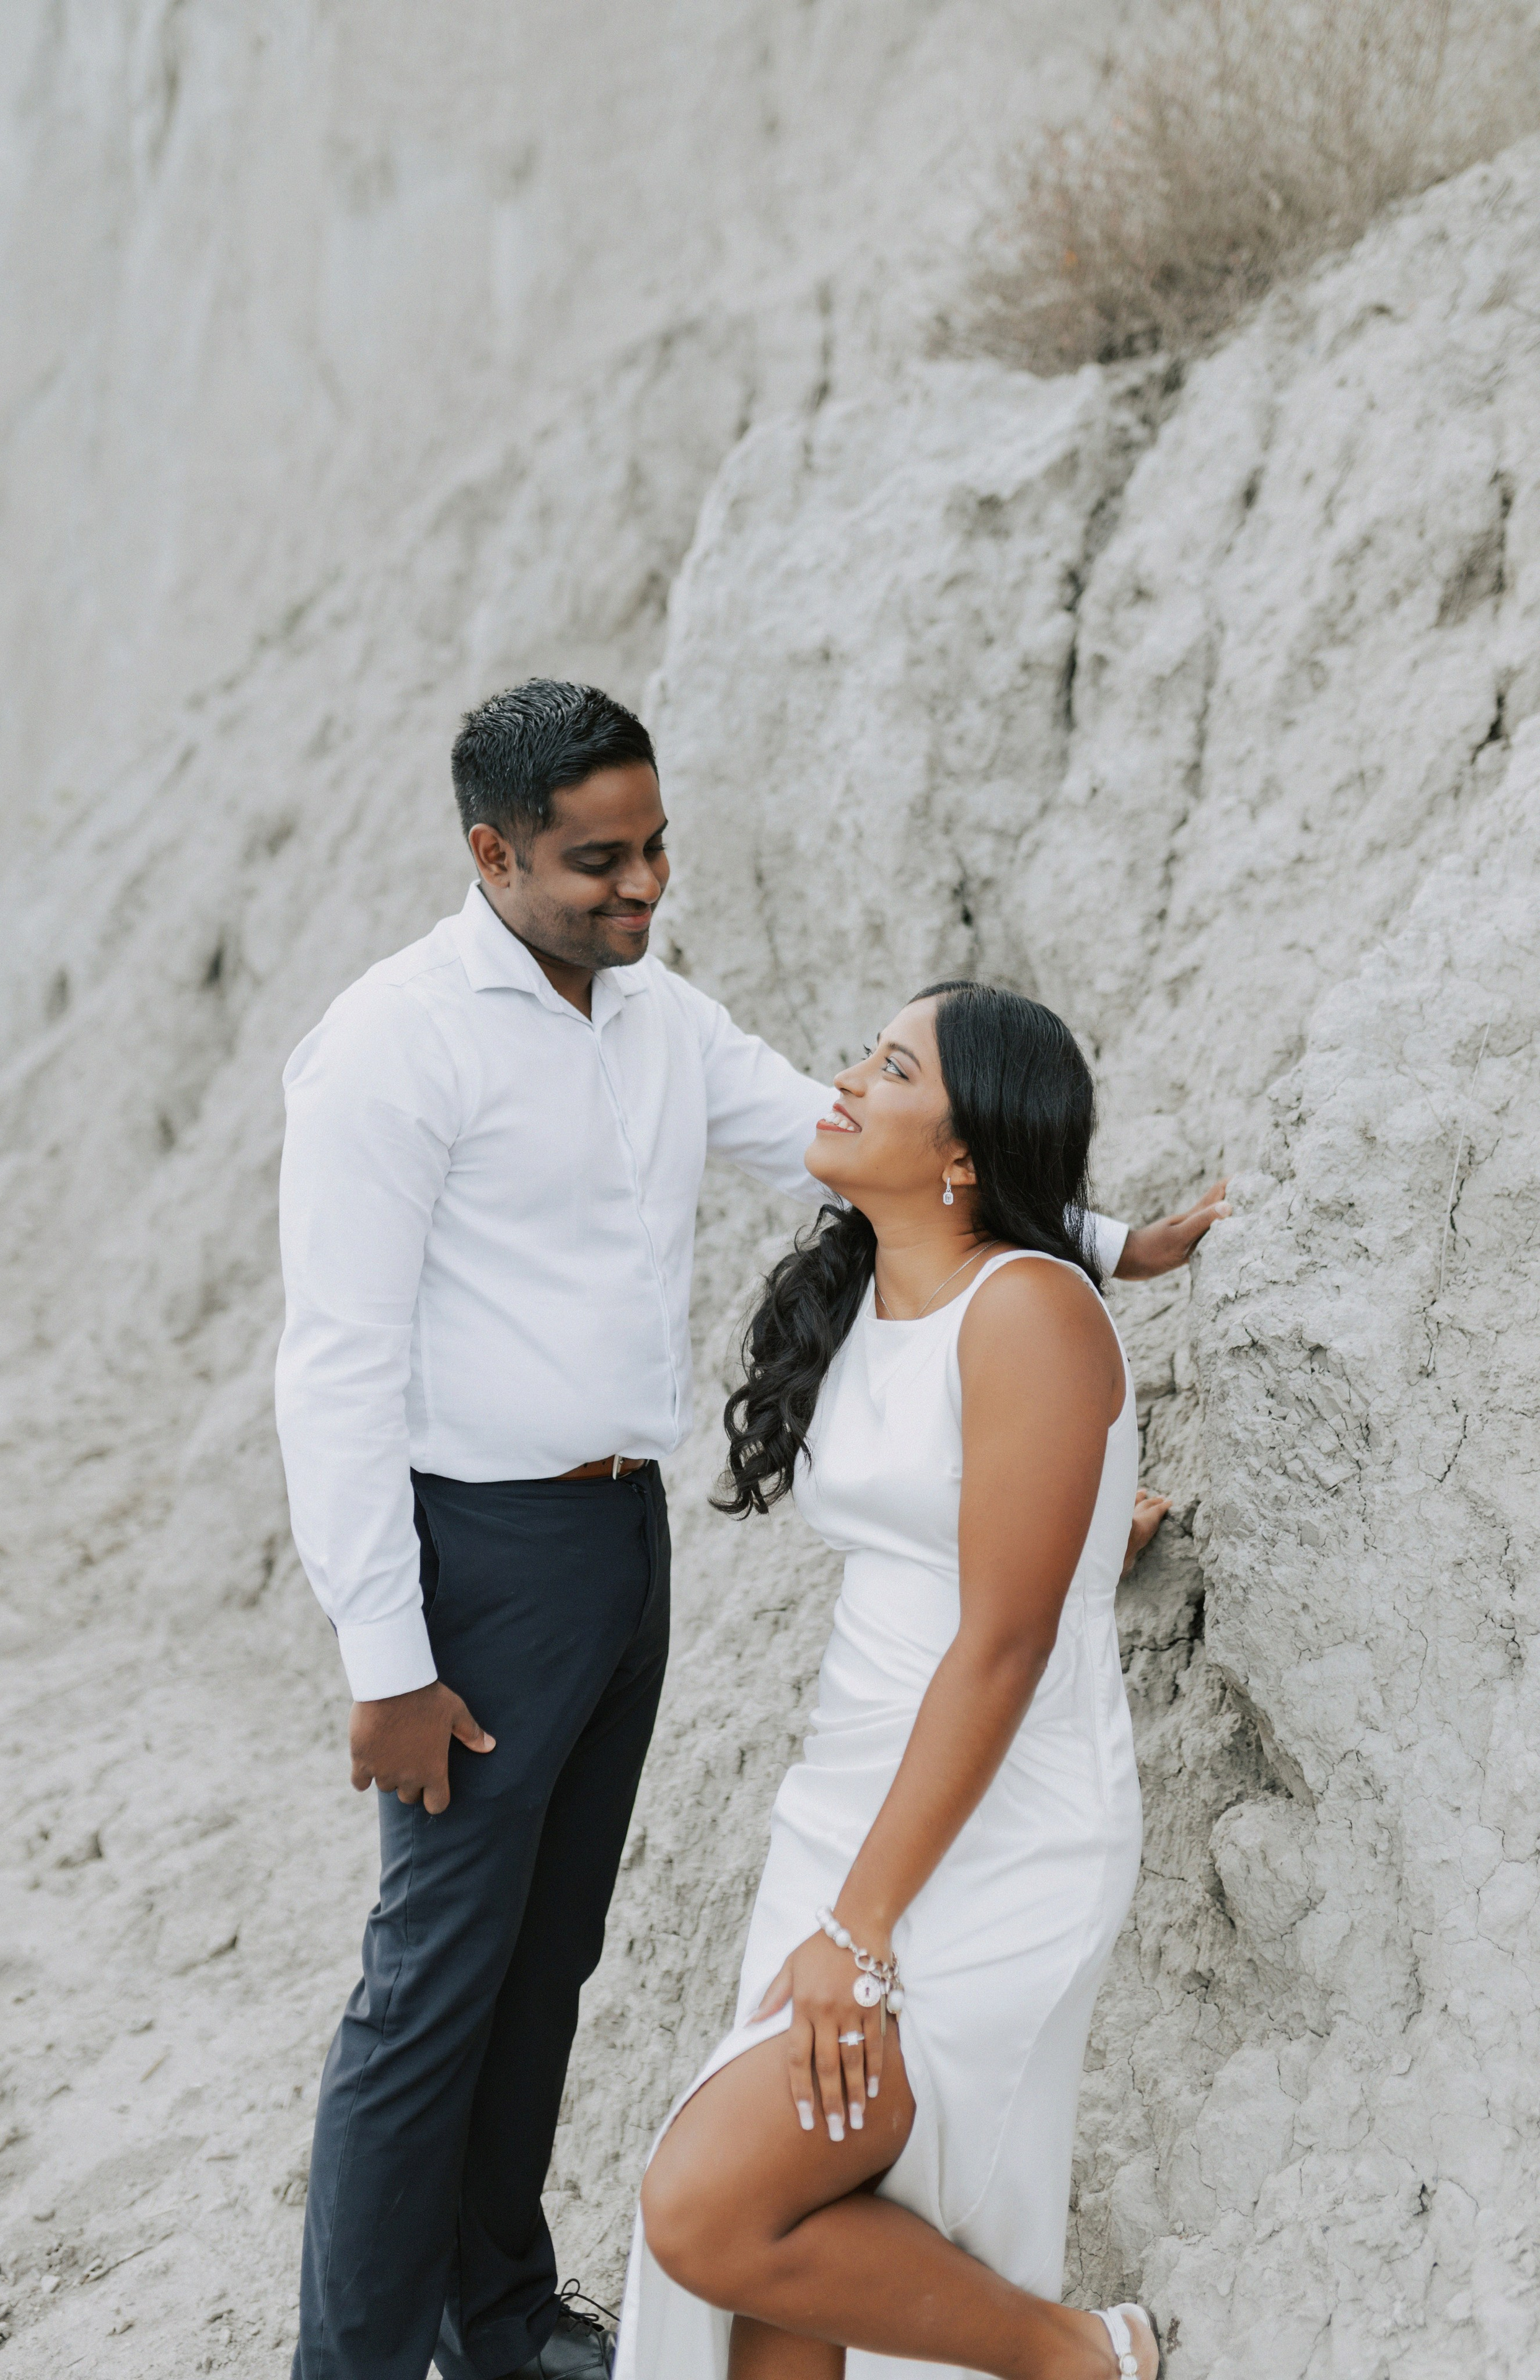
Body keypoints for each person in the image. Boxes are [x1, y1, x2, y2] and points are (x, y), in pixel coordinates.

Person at [273, 679, 1223, 2380]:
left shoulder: (654, 1018)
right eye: (595, 862)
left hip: (617, 1555)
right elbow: (332, 1367)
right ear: (492, 854)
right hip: (474, 1557)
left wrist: (1106, 1238)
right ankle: (348, 2365)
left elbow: (859, 1144)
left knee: (547, 1959)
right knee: (430, 1984)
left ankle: (495, 2322)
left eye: (654, 848)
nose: (640, 889)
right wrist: (385, 1656)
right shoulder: (394, 1044)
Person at [620, 982, 1167, 2380]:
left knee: (709, 2207)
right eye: (861, 1051)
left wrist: (857, 1935)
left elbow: (1001, 1642)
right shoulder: (868, 1295)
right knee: (787, 2272)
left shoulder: (1029, 1310)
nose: (848, 1076)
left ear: (965, 1151)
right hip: (843, 1809)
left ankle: (1070, 2357)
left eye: (892, 1064)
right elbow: (969, 1523)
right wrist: (1098, 1517)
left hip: (992, 1832)